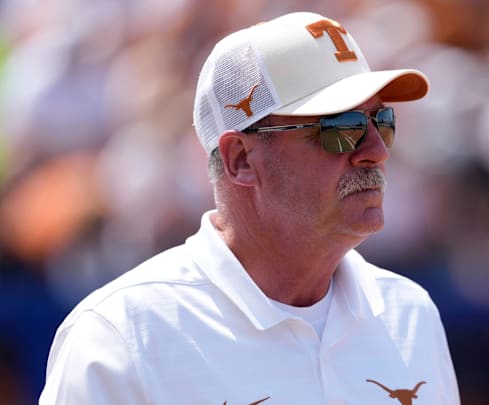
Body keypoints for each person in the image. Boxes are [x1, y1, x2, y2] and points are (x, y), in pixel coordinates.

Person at [40, 11, 460, 404]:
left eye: (381, 121)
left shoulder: (410, 313)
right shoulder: (124, 334)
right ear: (241, 159)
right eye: (341, 128)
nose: (376, 151)